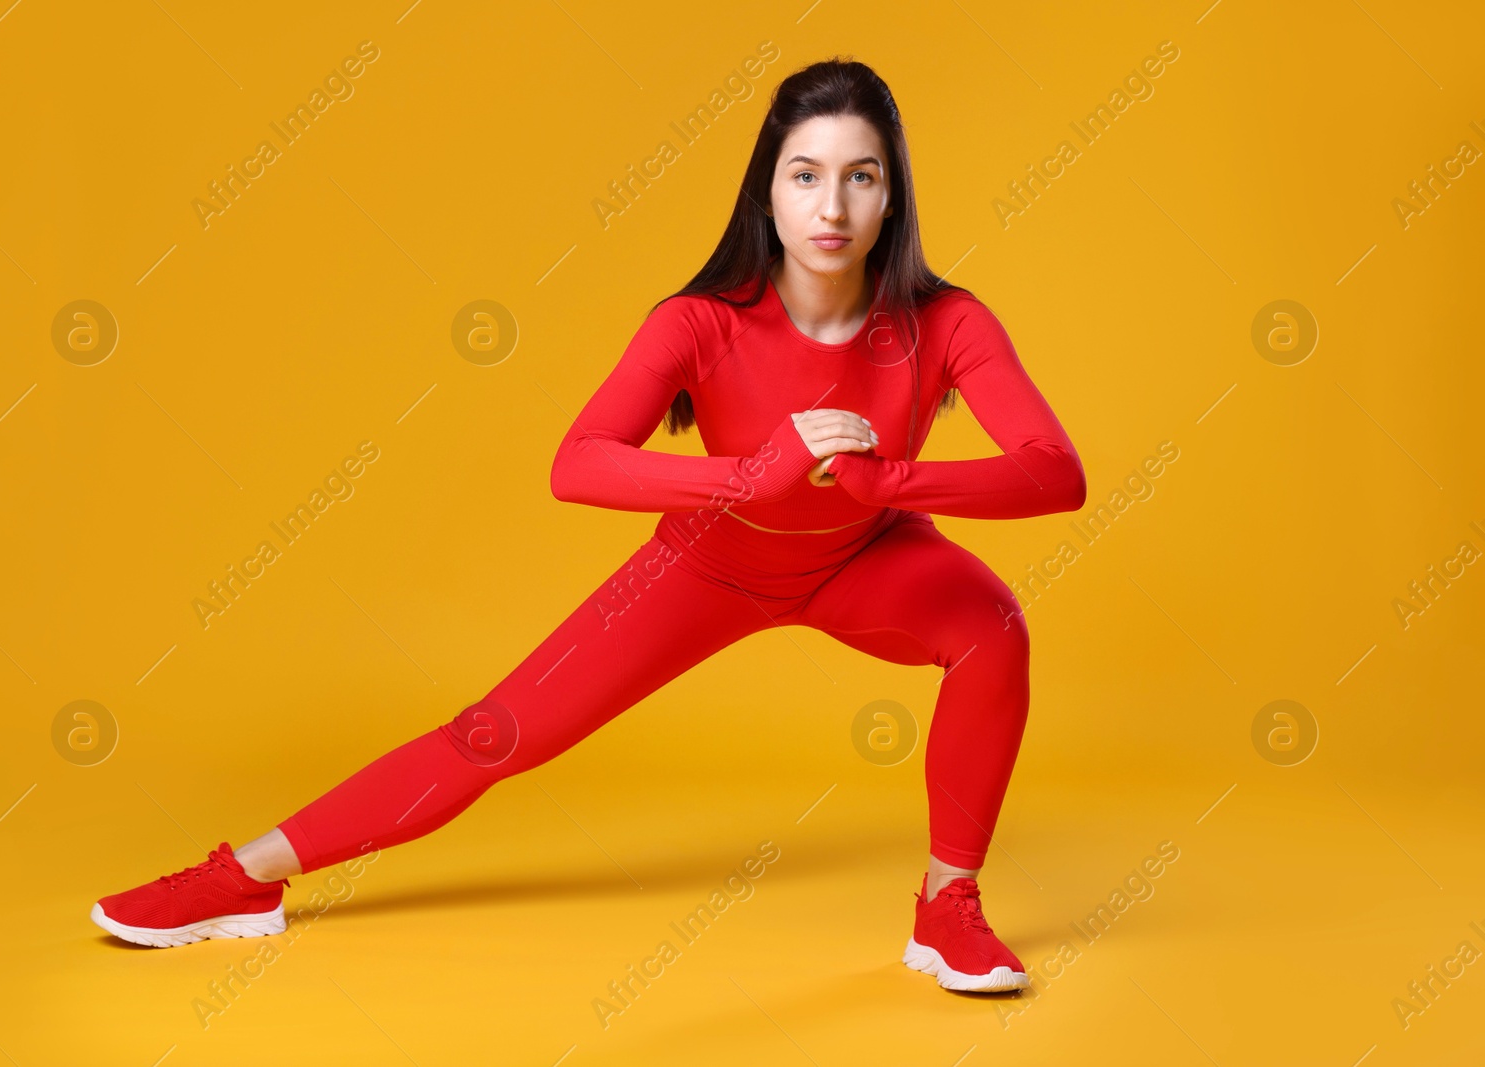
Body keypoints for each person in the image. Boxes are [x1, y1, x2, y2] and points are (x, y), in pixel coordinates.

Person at [91, 57, 1086, 994]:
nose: (831, 207)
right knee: (493, 734)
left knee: (992, 627)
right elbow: (579, 462)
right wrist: (754, 471)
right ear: (766, 191)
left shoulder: (945, 321)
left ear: (891, 194)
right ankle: (243, 876)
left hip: (866, 558)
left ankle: (943, 904)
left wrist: (888, 483)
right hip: (712, 565)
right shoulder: (699, 322)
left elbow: (1056, 475)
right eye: (805, 175)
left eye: (860, 176)